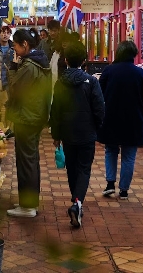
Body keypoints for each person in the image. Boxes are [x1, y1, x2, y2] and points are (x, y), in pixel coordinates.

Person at [50, 41, 105, 228]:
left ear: (65, 60)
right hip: (87, 133)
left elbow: (55, 111)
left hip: (67, 133)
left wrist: (56, 135)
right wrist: (97, 127)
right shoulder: (92, 82)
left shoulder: (60, 83)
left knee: (72, 169)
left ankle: (76, 202)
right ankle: (77, 203)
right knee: (84, 169)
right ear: (83, 60)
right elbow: (99, 108)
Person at [5, 28, 52, 218]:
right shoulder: (39, 61)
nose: (14, 50)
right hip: (34, 115)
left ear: (24, 45)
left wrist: (13, 67)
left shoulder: (29, 66)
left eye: (15, 46)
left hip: (27, 116)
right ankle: (28, 202)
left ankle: (27, 206)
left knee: (26, 161)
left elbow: (15, 89)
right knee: (30, 160)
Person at [98, 41, 143, 200]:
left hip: (111, 118)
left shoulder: (109, 71)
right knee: (129, 155)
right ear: (133, 55)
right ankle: (124, 190)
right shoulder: (139, 73)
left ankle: (109, 184)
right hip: (133, 120)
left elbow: (99, 96)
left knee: (111, 151)